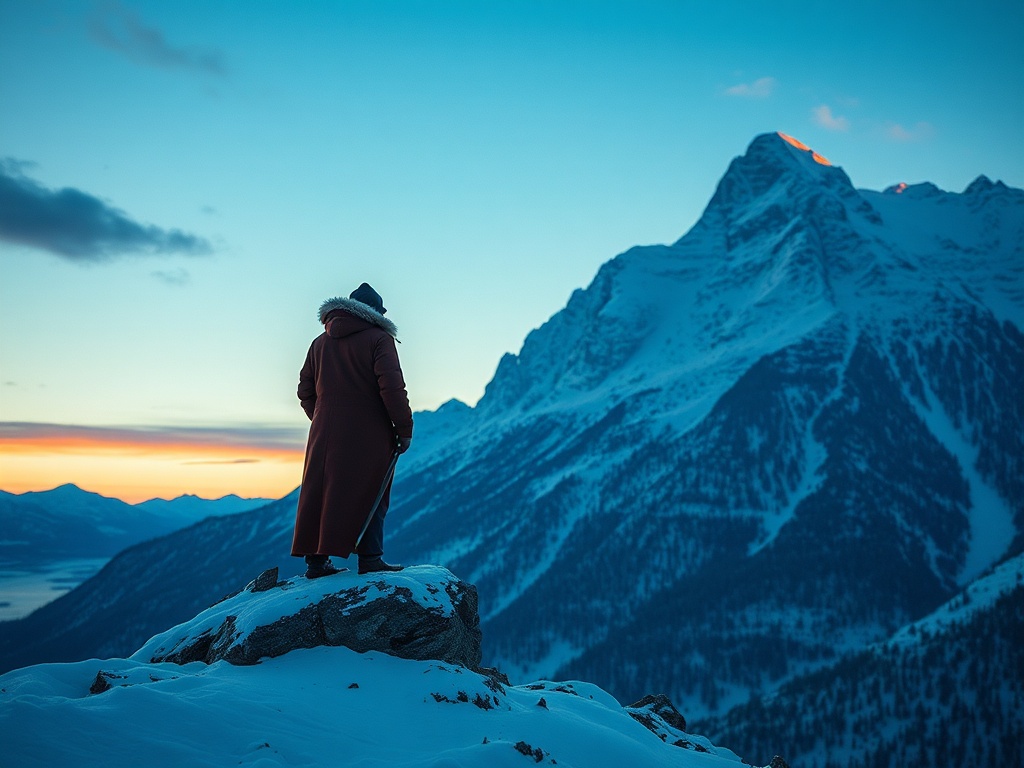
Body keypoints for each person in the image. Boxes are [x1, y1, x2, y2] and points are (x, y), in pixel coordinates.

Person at [291, 282, 413, 578]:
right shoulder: (379, 339)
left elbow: (305, 390)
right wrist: (403, 428)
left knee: (321, 491)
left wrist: (320, 418)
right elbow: (392, 388)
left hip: (323, 430)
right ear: (376, 313)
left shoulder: (319, 343)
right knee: (371, 488)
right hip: (370, 432)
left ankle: (316, 562)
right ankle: (370, 558)